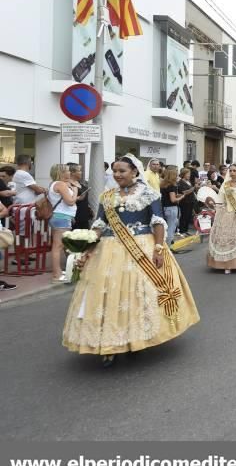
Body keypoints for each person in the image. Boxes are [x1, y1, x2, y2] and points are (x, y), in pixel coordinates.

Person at [62, 154, 200, 367]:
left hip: (141, 247)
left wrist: (159, 247)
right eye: (115, 171)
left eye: (122, 171)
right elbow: (99, 224)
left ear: (134, 172)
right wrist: (86, 246)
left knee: (139, 293)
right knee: (107, 296)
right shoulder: (107, 197)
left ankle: (137, 338)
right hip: (108, 251)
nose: (117, 175)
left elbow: (158, 222)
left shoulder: (149, 194)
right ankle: (109, 345)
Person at [48, 164, 78, 284]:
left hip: (60, 217)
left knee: (61, 245)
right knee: (58, 246)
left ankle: (59, 271)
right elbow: (70, 201)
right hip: (62, 217)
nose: (69, 173)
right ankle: (56, 274)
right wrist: (75, 190)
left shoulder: (55, 184)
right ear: (61, 172)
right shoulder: (60, 184)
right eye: (66, 171)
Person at [67, 163, 92, 230]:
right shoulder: (67, 185)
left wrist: (89, 208)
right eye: (79, 170)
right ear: (72, 172)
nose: (81, 172)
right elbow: (67, 200)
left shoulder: (80, 183)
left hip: (84, 216)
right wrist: (79, 198)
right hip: (74, 217)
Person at [176, 168, 195, 236]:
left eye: (189, 174)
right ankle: (182, 231)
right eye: (187, 174)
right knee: (184, 216)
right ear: (183, 174)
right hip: (184, 202)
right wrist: (192, 189)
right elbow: (184, 192)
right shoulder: (180, 182)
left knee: (188, 216)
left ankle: (186, 230)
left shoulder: (188, 181)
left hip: (191, 201)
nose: (189, 175)